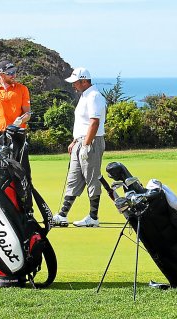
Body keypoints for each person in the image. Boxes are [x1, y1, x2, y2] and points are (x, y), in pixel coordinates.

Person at [52, 67, 107, 227]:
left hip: (92, 142)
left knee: (91, 179)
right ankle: (62, 215)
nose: (73, 85)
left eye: (75, 82)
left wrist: (86, 144)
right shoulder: (85, 95)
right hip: (80, 142)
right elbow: (83, 124)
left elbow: (94, 122)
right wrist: (76, 141)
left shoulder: (94, 96)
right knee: (73, 178)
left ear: (84, 81)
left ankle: (93, 218)